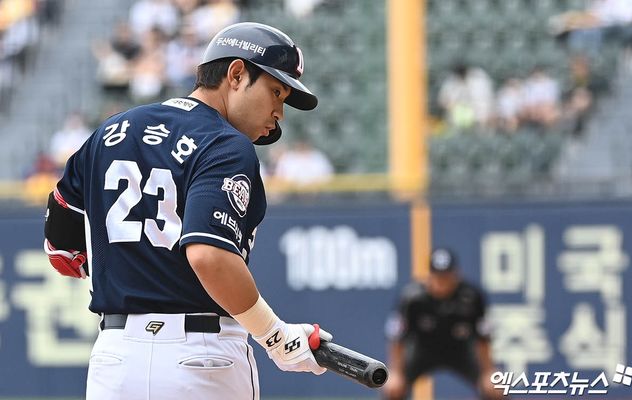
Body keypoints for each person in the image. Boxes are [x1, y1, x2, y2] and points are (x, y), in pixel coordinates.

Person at [42, 22, 332, 400]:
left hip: (115, 361)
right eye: (276, 91)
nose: (280, 111)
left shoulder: (108, 132)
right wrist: (276, 336)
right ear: (236, 74)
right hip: (203, 359)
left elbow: (62, 254)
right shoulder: (225, 143)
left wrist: (132, 267)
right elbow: (209, 256)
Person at [383, 248, 501, 400]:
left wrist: (488, 372)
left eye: (446, 277)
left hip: (461, 350)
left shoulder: (471, 297)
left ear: (456, 275)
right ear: (429, 276)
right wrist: (396, 372)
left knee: (496, 387)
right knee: (393, 388)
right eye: (437, 277)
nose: (441, 283)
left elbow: (483, 338)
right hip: (422, 350)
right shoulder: (412, 298)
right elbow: (396, 338)